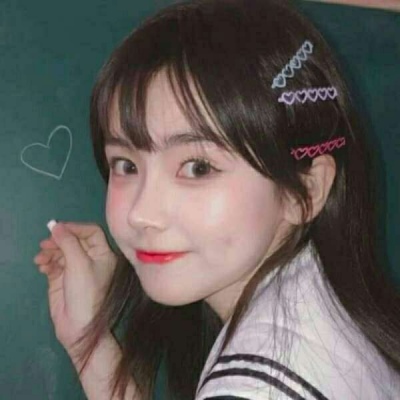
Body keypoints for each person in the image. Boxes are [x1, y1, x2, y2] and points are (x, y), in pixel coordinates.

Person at [33, 0, 400, 399]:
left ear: (306, 191)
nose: (141, 214)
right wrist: (88, 338)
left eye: (197, 168)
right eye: (126, 165)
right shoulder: (315, 297)